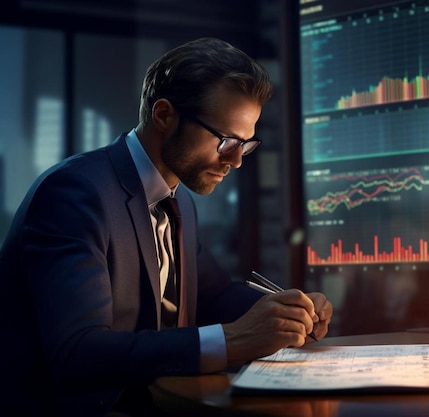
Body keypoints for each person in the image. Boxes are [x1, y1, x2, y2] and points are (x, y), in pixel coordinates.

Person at [0, 37, 333, 416]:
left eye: (245, 144)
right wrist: (234, 340)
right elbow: (78, 353)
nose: (236, 161)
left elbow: (212, 295)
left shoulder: (178, 201)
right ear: (163, 115)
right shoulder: (75, 194)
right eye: (226, 141)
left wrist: (285, 310)